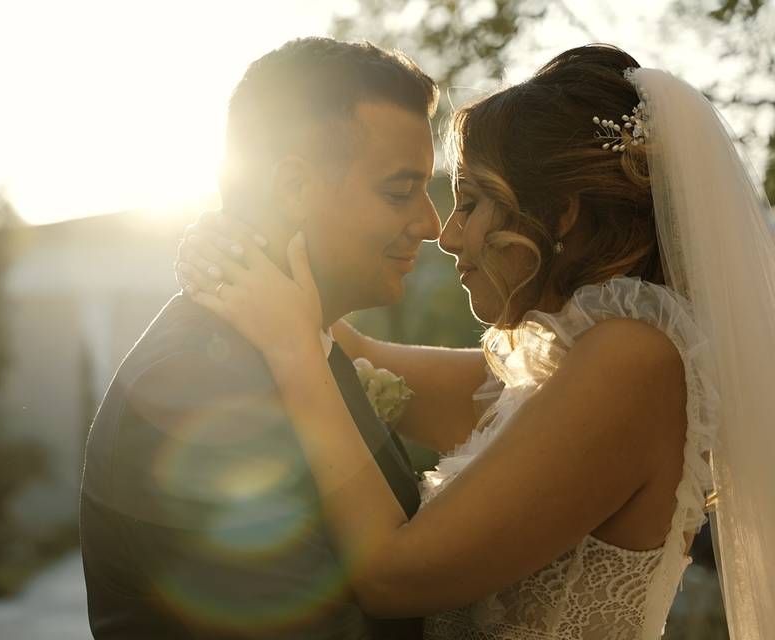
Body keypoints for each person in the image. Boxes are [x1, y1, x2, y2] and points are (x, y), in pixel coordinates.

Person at [177, 44, 775, 639]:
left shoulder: (635, 362)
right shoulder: (553, 373)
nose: (446, 233)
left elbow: (391, 577)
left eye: (469, 202)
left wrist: (291, 353)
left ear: (560, 215)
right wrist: (247, 244)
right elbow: (357, 353)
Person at [79, 37, 443, 639]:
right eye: (400, 191)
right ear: (294, 188)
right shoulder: (197, 388)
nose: (431, 224)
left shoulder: (307, 347)